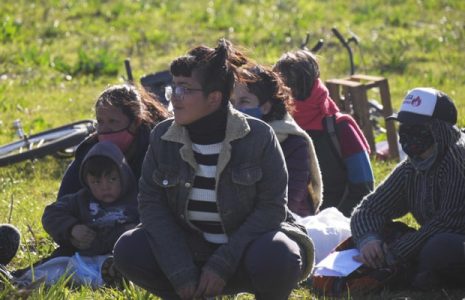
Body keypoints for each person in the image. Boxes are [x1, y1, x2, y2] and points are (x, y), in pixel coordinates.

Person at [113, 39, 314, 300]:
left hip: (245, 252)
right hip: (190, 252)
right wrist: (181, 272)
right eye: (172, 87)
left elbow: (271, 209)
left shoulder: (258, 136)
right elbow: (152, 205)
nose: (175, 96)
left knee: (279, 254)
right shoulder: (163, 136)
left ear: (214, 98)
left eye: (185, 89)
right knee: (129, 249)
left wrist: (222, 264)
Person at [350, 88, 465, 290]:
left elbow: (448, 222)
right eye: (405, 128)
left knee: (438, 248)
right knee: (380, 233)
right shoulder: (411, 168)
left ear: (440, 131)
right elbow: (369, 209)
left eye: (418, 129)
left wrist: (395, 252)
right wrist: (369, 241)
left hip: (454, 239)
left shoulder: (458, 160)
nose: (408, 137)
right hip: (438, 238)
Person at [274, 50, 374, 217]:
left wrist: (332, 221)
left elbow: (364, 187)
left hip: (338, 226)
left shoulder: (340, 128)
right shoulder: (275, 126)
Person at [231, 64, 322, 217]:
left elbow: (287, 205)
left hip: (288, 224)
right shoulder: (229, 137)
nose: (235, 109)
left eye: (244, 101)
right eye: (232, 102)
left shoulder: (293, 143)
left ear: (265, 107)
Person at [57, 83, 170, 198]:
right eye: (100, 122)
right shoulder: (89, 153)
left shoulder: (156, 153)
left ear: (136, 122)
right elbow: (62, 203)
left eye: (113, 121)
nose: (105, 130)